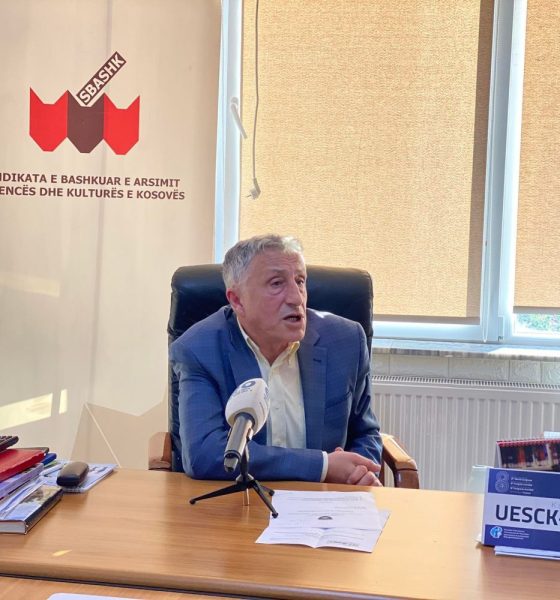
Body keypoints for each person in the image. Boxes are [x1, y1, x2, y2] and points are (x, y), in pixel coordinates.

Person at [170, 234, 382, 486]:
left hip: (325, 500)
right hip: (242, 499)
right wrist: (322, 465)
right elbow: (205, 454)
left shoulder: (345, 340)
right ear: (237, 300)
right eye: (276, 283)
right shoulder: (199, 349)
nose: (296, 298)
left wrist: (359, 471)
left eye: (300, 281)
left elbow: (365, 433)